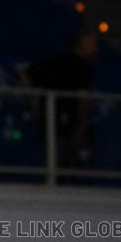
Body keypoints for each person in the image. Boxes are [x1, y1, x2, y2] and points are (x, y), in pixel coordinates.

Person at [21, 29, 98, 167]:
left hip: (54, 120)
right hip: (63, 123)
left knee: (59, 160)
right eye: (92, 43)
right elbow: (83, 99)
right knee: (62, 160)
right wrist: (32, 102)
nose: (96, 48)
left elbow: (25, 74)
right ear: (81, 44)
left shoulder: (73, 63)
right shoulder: (76, 65)